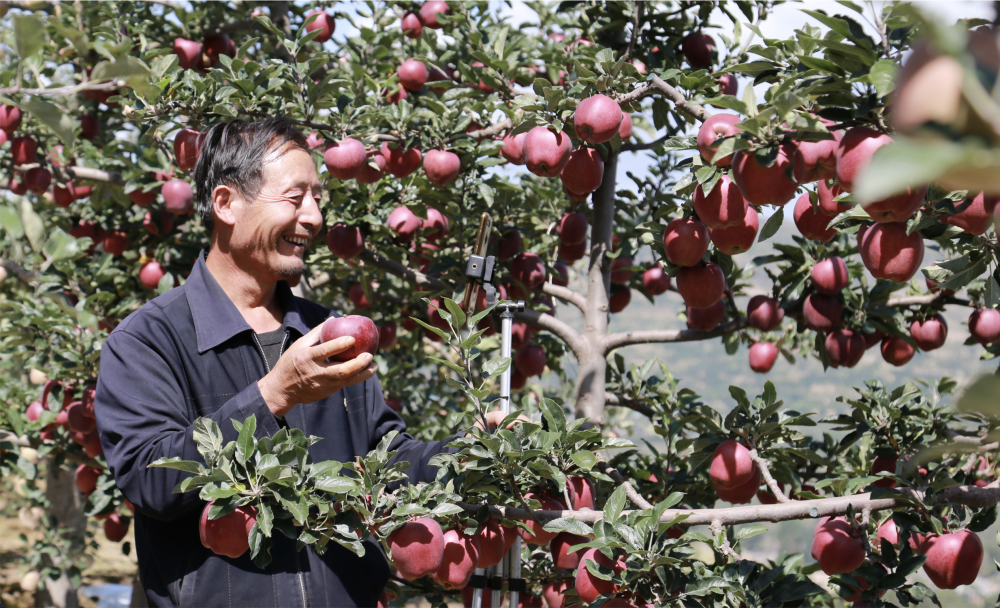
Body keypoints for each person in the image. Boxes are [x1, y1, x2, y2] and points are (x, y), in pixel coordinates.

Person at [94, 118, 508, 607]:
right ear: (227, 204)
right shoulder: (149, 340)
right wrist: (276, 395)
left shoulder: (327, 333)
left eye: (316, 198)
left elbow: (386, 462)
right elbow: (152, 479)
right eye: (295, 198)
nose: (313, 217)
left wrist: (471, 454)